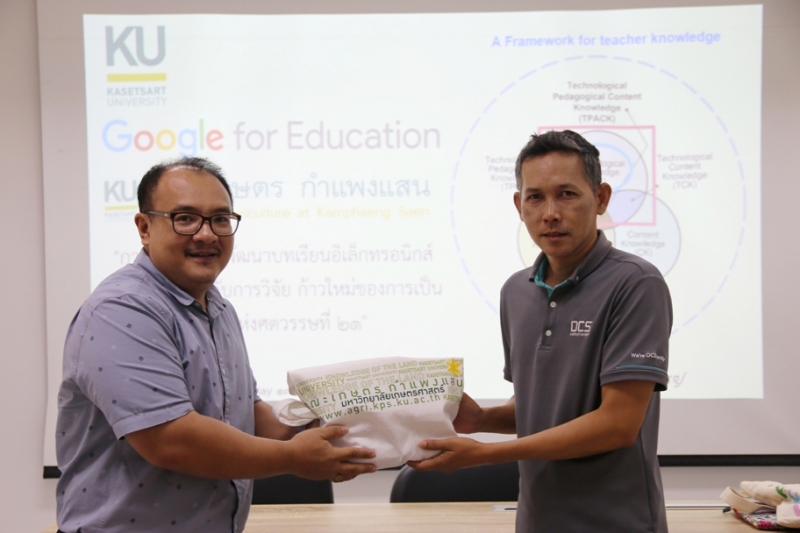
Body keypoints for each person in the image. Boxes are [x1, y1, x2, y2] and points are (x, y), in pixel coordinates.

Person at [55, 157, 376, 533]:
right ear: (144, 227)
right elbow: (171, 440)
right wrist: (293, 457)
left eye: (220, 219)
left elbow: (247, 415)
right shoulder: (122, 308)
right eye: (185, 218)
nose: (207, 234)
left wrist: (329, 422)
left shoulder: (219, 308)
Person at [410, 130, 672, 532]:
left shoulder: (636, 283)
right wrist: (482, 418)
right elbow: (543, 407)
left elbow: (617, 425)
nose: (550, 213)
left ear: (601, 198)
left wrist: (485, 455)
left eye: (566, 194)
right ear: (519, 205)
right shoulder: (516, 291)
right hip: (537, 520)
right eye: (535, 197)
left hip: (616, 523)